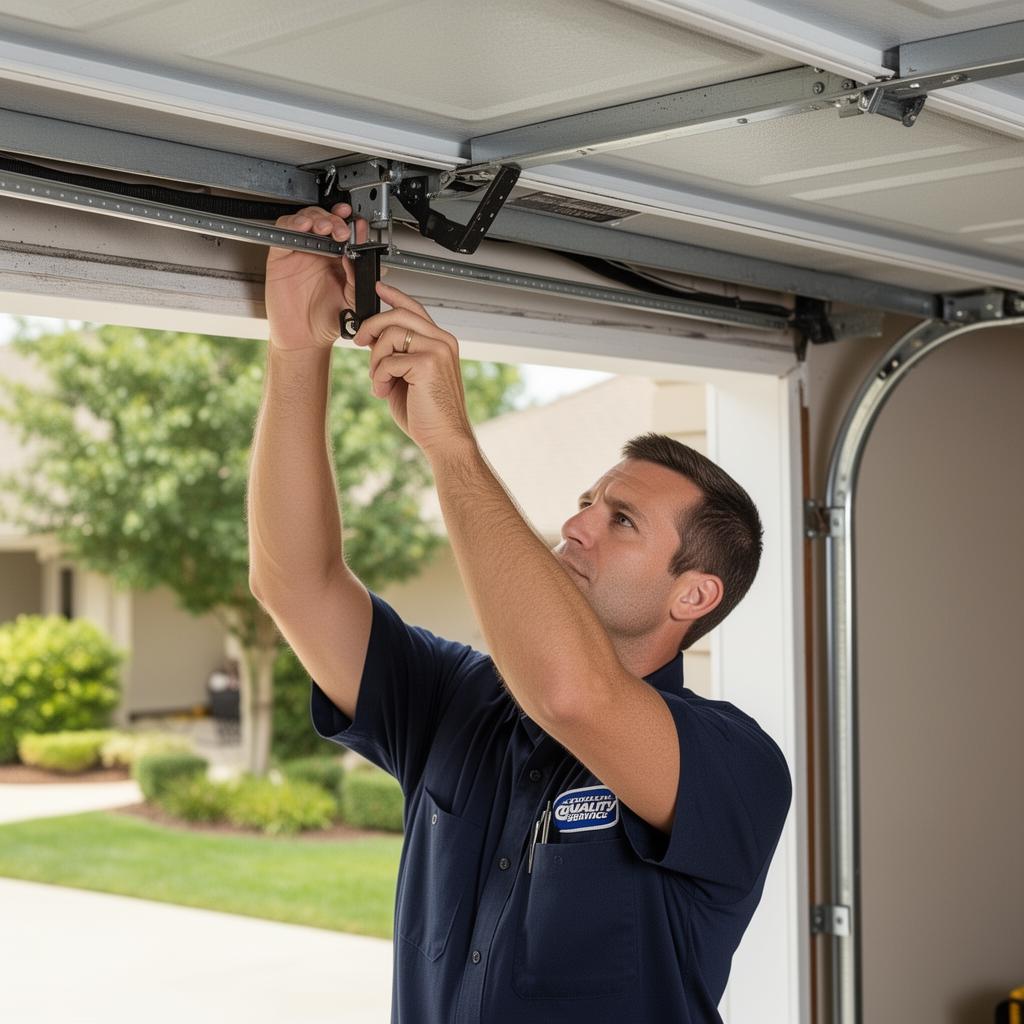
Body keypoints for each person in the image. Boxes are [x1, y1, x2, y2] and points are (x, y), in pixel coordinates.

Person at [247, 204, 792, 1024]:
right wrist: (296, 350)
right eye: (587, 502)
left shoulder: (733, 766)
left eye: (622, 521)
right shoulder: (457, 702)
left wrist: (452, 447)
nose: (576, 524)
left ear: (694, 594)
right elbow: (298, 584)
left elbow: (575, 695)